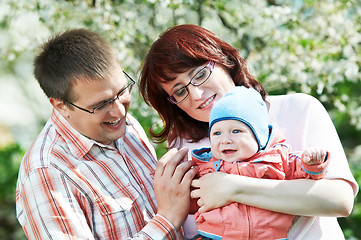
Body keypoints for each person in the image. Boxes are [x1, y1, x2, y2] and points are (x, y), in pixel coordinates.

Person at [139, 24, 359, 239]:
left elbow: (338, 200)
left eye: (199, 75)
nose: (196, 94)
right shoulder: (183, 144)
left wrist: (232, 187)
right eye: (179, 91)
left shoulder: (299, 109)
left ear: (224, 60)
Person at [15, 28, 198, 239]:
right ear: (61, 106)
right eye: (101, 104)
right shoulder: (47, 173)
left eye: (122, 91)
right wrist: (167, 220)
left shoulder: (122, 124)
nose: (120, 111)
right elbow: (168, 215)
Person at [190, 86, 329, 240]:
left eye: (236, 131)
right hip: (214, 236)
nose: (225, 140)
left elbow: (304, 174)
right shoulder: (206, 166)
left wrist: (312, 163)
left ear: (258, 137)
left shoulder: (276, 160)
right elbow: (190, 197)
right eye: (217, 133)